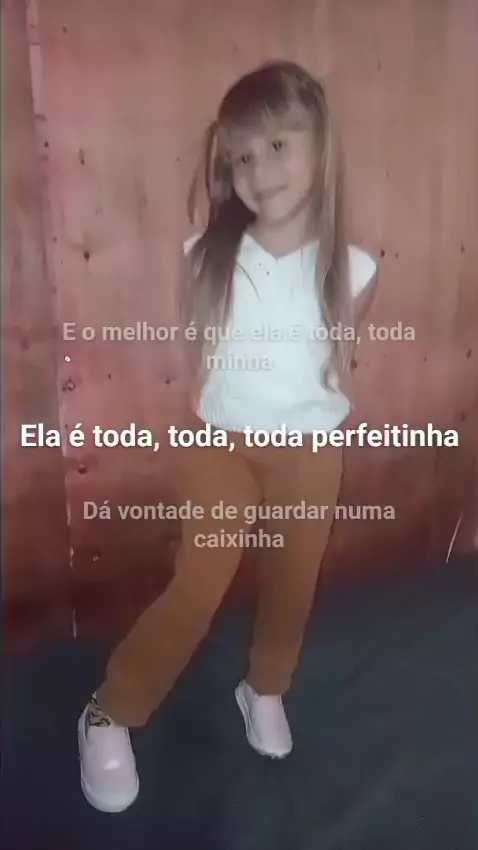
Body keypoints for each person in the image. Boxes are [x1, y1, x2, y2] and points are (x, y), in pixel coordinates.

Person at [78, 59, 378, 813]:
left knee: (292, 584)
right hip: (224, 449)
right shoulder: (207, 255)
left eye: (278, 145)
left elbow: (332, 363)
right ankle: (110, 710)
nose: (258, 170)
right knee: (197, 587)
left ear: (322, 146)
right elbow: (207, 358)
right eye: (241, 156)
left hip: (310, 455)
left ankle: (264, 688)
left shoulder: (355, 269)